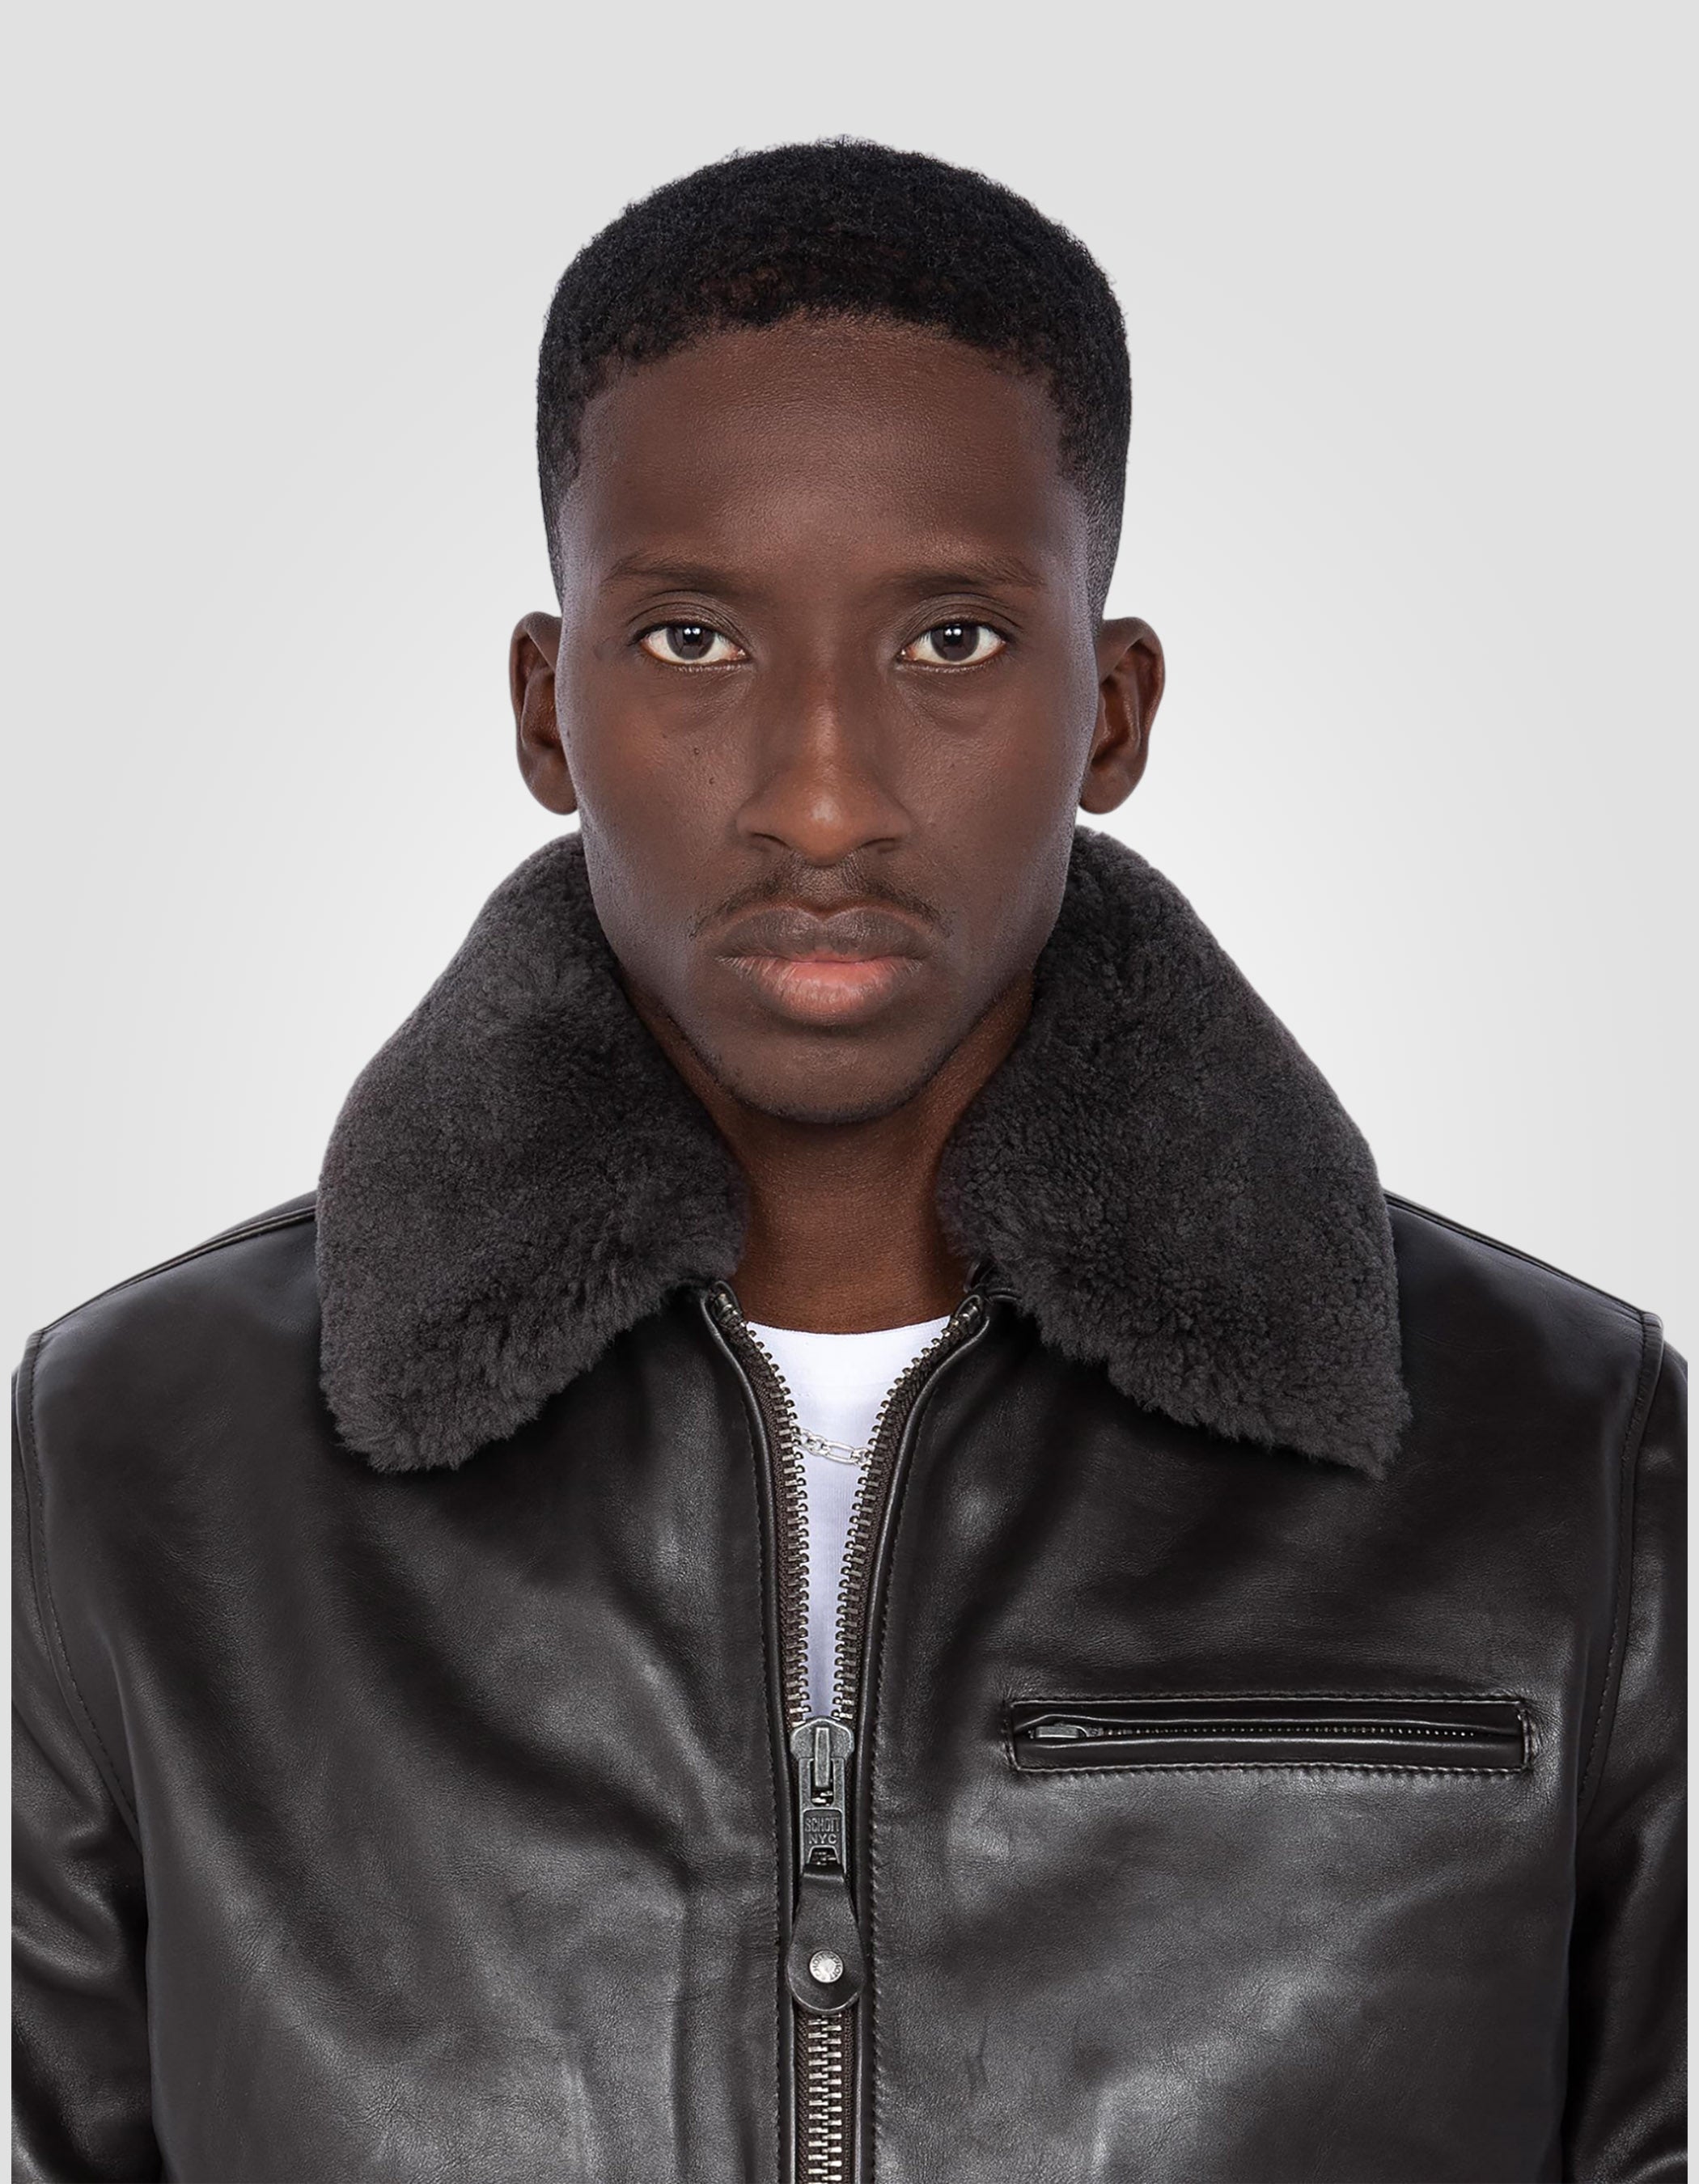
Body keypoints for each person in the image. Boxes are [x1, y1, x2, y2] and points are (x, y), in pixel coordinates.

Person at [12, 139, 1683, 2184]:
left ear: (1113, 710)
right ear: (546, 709)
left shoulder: (1569, 1457)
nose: (822, 798)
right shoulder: (138, 1461)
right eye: (693, 641)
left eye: (952, 641)